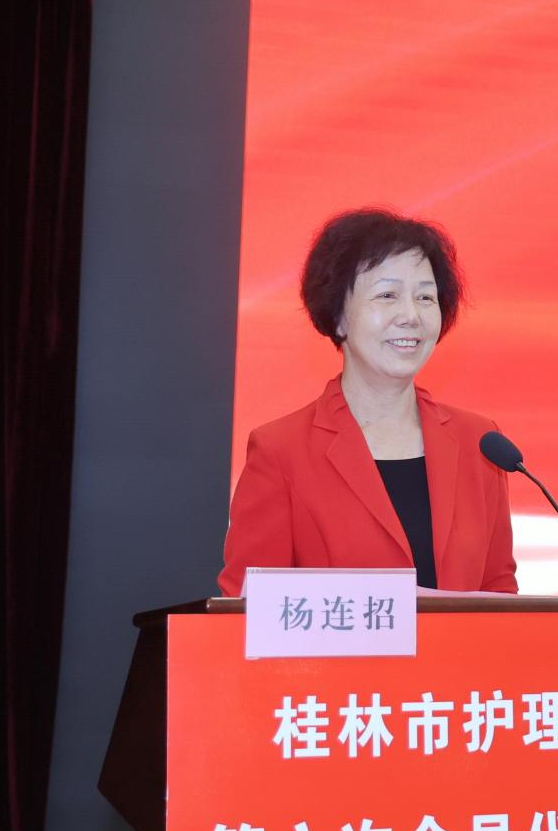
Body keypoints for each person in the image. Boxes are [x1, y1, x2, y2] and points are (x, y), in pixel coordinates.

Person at [218, 208, 517, 596]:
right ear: (339, 316)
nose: (410, 315)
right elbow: (247, 611)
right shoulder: (281, 451)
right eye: (387, 295)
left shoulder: (480, 443)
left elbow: (499, 594)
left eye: (425, 297)